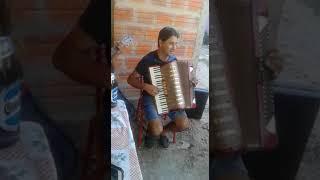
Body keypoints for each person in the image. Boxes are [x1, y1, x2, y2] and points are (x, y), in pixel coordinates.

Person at [127, 26, 197, 148]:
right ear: (160, 42)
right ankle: (152, 132)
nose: (174, 47)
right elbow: (130, 79)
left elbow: (179, 82)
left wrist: (191, 81)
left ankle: (163, 132)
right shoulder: (148, 60)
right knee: (155, 129)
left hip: (171, 98)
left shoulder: (174, 60)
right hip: (151, 97)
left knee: (184, 124)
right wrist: (145, 86)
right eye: (171, 43)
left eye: (176, 44)